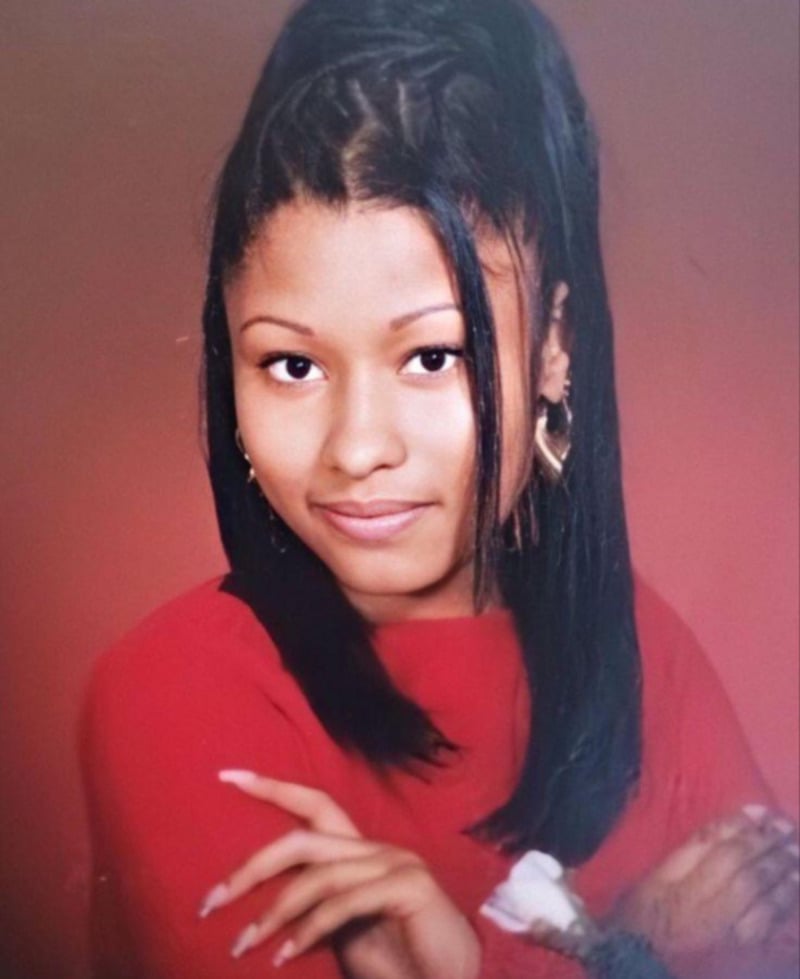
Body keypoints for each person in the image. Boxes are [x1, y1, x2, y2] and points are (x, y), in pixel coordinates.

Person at [78, 1, 799, 977]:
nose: (356, 445)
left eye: (430, 355)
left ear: (552, 349)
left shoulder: (640, 648)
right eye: (290, 366)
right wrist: (631, 947)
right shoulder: (171, 689)